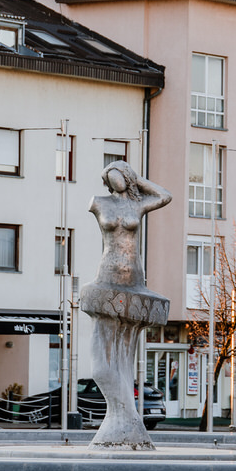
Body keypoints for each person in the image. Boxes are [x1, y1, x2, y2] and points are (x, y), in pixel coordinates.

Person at [77, 162, 171, 448]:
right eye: (111, 176)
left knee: (125, 354)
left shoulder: (138, 205)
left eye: (120, 175)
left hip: (133, 277)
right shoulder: (99, 202)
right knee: (101, 367)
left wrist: (137, 180)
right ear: (106, 181)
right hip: (107, 274)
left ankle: (127, 423)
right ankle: (123, 418)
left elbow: (165, 196)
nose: (115, 180)